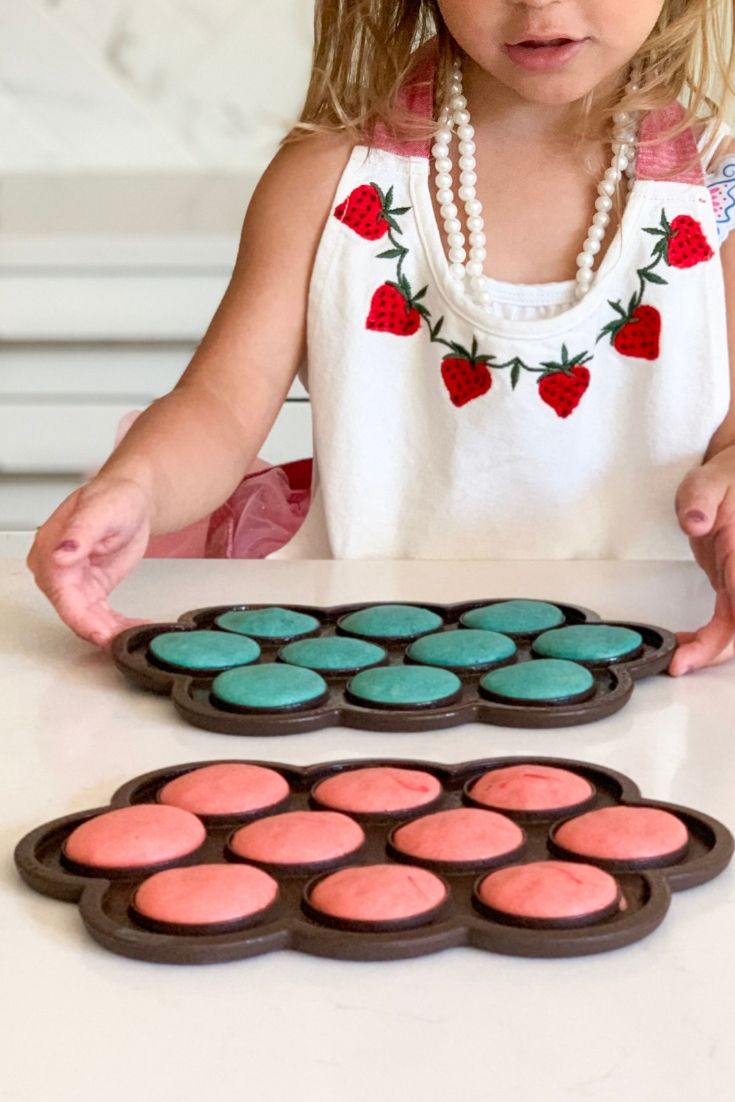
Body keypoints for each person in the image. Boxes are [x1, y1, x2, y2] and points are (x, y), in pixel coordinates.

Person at [27, 0, 735, 675]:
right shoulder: (328, 177)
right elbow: (219, 403)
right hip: (365, 652)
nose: (538, 5)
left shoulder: (717, 195)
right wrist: (138, 485)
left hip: (654, 654)